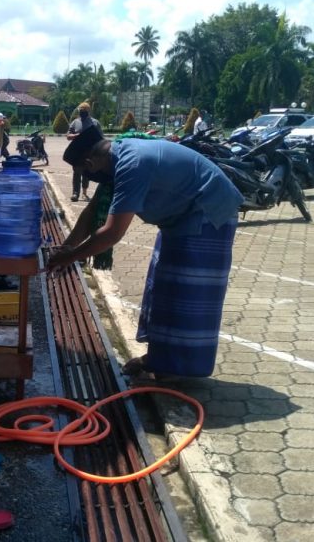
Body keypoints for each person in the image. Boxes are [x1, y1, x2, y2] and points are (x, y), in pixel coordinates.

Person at [48, 126, 244, 378]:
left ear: (89, 162)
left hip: (207, 212)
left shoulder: (131, 164)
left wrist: (70, 257)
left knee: (187, 294)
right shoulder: (119, 158)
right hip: (181, 218)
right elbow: (89, 215)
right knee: (164, 288)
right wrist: (67, 248)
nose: (87, 176)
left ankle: (182, 368)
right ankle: (159, 359)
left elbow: (111, 233)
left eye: (83, 172)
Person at [67, 102, 102, 202]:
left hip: (90, 153)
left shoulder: (95, 123)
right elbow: (68, 136)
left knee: (86, 173)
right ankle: (75, 193)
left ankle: (84, 193)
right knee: (76, 173)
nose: (82, 112)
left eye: (84, 111)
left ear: (88, 111)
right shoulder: (75, 122)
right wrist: (76, 135)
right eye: (81, 111)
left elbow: (101, 138)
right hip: (77, 152)